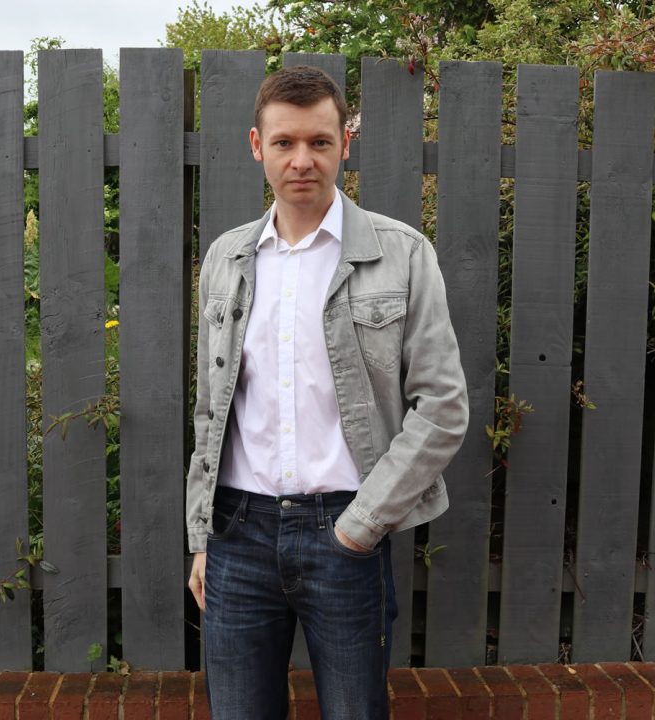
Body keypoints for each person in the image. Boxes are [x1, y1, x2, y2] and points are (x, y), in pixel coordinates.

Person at [185, 65, 469, 720]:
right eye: (285, 143)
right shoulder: (226, 261)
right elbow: (211, 407)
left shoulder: (401, 255)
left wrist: (359, 530)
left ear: (346, 141)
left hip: (345, 530)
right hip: (237, 534)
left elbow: (443, 407)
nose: (303, 160)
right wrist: (204, 536)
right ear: (258, 146)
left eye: (320, 141)